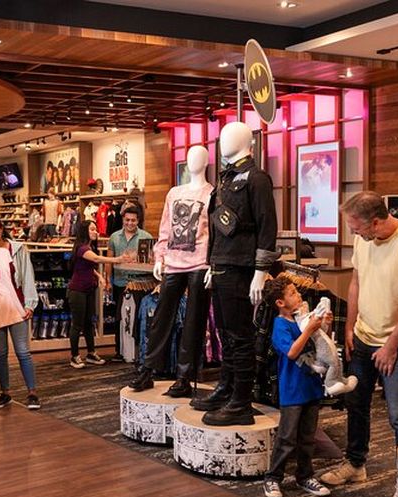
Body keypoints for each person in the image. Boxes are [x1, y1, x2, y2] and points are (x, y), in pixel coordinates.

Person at [319, 191, 398, 497]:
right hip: (364, 337)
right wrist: (350, 326)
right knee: (356, 403)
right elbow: (356, 282)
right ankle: (355, 463)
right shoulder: (364, 240)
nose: (354, 234)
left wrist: (391, 345)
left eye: (357, 228)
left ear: (377, 222)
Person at [195, 121, 279, 426]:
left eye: (230, 136)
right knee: (225, 334)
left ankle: (241, 403)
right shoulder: (225, 178)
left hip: (241, 268)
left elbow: (267, 226)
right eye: (222, 136)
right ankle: (227, 389)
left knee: (240, 336)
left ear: (248, 142)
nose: (223, 140)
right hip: (221, 266)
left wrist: (260, 271)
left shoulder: (257, 179)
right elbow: (217, 228)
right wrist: (210, 264)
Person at [129, 145, 212, 396]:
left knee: (193, 321)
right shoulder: (174, 193)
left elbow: (214, 233)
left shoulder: (212, 194)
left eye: (198, 157)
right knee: (161, 318)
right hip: (173, 264)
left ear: (206, 162)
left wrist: (214, 263)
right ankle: (147, 369)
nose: (193, 160)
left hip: (200, 262)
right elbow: (165, 228)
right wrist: (160, 257)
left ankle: (185, 376)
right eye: (190, 156)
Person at [262, 276, 331, 497]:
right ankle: (273, 477)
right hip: (292, 390)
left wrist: (324, 325)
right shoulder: (280, 325)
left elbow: (321, 345)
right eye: (292, 293)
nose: (299, 295)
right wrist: (309, 330)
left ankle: (305, 475)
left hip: (312, 386)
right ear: (280, 302)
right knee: (287, 437)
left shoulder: (304, 319)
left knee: (308, 437)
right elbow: (292, 352)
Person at [0, 213, 41, 409]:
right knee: (1, 353)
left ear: (1, 228)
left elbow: (28, 276)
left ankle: (32, 393)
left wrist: (30, 303)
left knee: (23, 351)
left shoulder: (18, 249)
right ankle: (5, 393)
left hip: (17, 306)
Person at [68, 221, 132, 369]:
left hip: (89, 289)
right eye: (92, 229)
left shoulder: (89, 247)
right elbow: (97, 259)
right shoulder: (82, 248)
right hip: (77, 291)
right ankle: (74, 356)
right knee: (77, 325)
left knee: (89, 323)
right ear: (84, 231)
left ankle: (91, 353)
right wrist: (117, 259)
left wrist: (99, 276)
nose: (95, 232)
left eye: (95, 229)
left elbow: (88, 267)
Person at [106, 205, 153, 361]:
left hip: (141, 283)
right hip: (120, 283)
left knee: (138, 317)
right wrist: (108, 280)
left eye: (133, 220)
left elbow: (150, 260)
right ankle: (120, 351)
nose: (130, 223)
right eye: (127, 220)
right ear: (123, 220)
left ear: (138, 221)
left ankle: (138, 351)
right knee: (120, 318)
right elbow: (109, 261)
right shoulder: (114, 237)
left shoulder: (146, 236)